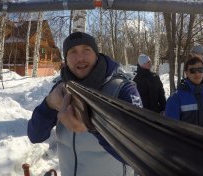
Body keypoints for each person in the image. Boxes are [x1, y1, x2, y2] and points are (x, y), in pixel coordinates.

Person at [27, 32, 142, 176]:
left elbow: (137, 154)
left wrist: (93, 126)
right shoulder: (61, 89)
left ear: (96, 55)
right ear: (66, 60)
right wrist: (48, 104)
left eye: (86, 50)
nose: (80, 57)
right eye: (73, 52)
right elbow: (35, 135)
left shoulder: (122, 90)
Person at [165, 57, 203, 132]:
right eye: (192, 71)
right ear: (186, 73)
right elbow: (170, 127)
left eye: (200, 70)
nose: (197, 73)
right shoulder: (176, 98)